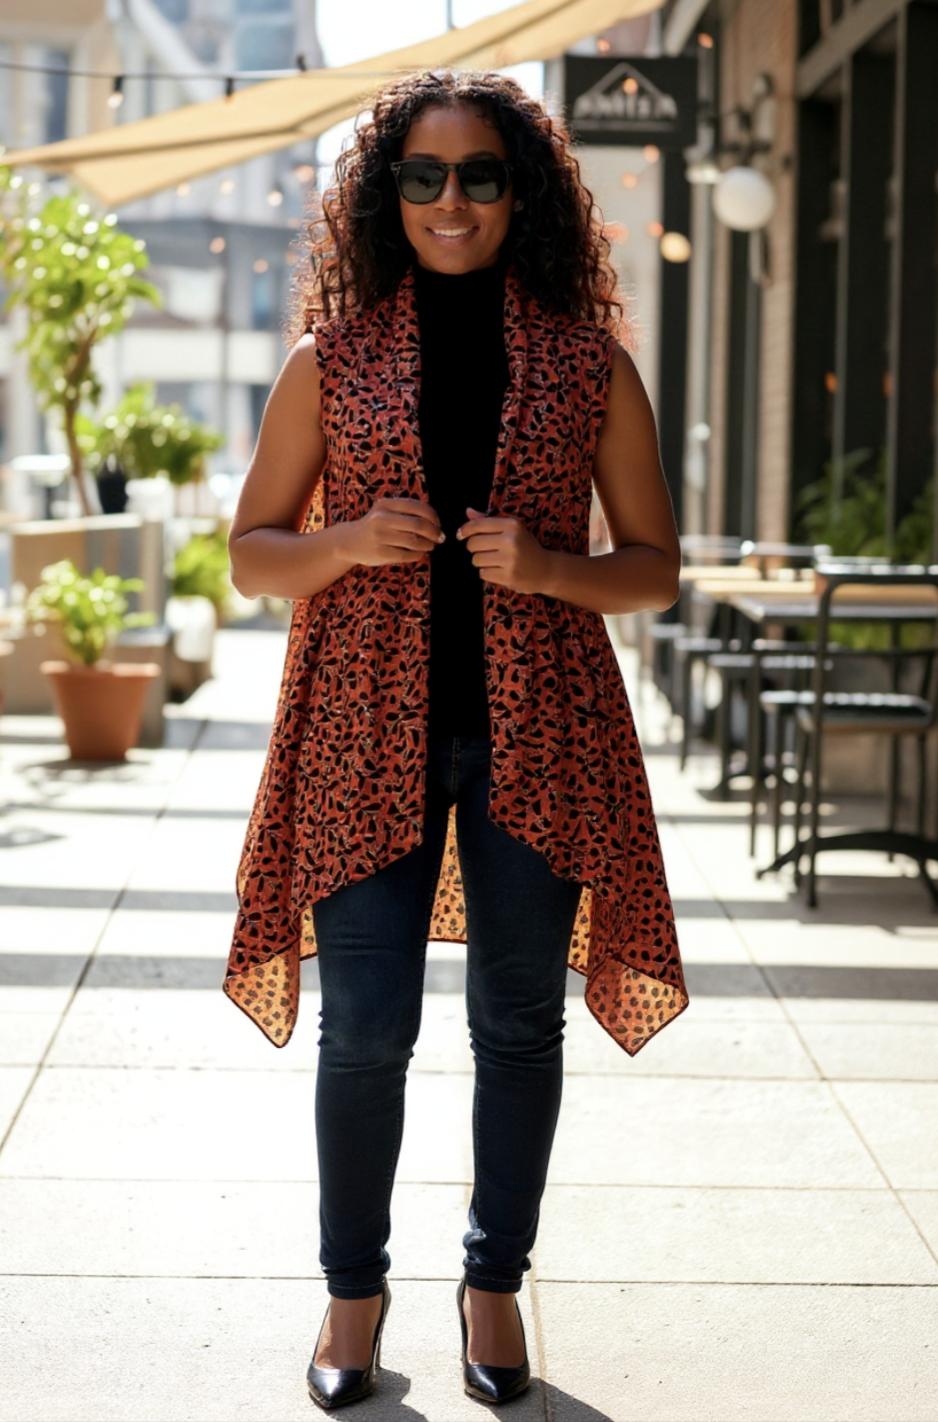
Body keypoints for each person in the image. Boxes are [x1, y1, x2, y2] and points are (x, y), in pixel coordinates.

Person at [225, 68, 688, 1411]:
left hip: (540, 735)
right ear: (385, 196)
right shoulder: (333, 358)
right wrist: (343, 541)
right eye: (421, 176)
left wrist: (550, 566)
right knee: (363, 1029)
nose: (448, 200)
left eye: (479, 175)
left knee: (517, 1025)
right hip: (361, 731)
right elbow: (252, 555)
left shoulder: (587, 363)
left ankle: (493, 1281)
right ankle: (351, 1294)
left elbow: (652, 565)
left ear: (520, 192)